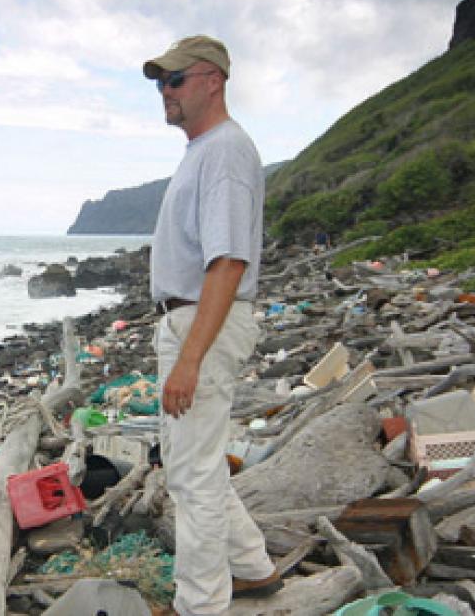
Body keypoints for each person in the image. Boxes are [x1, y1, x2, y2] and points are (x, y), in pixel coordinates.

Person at [144, 35, 283, 615]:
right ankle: (252, 567)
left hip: (202, 322)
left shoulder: (224, 151)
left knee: (192, 478)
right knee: (197, 465)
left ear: (211, 80)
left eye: (174, 80)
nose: (164, 93)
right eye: (160, 83)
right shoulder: (205, 151)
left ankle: (199, 606)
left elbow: (227, 261)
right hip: (195, 321)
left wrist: (190, 358)